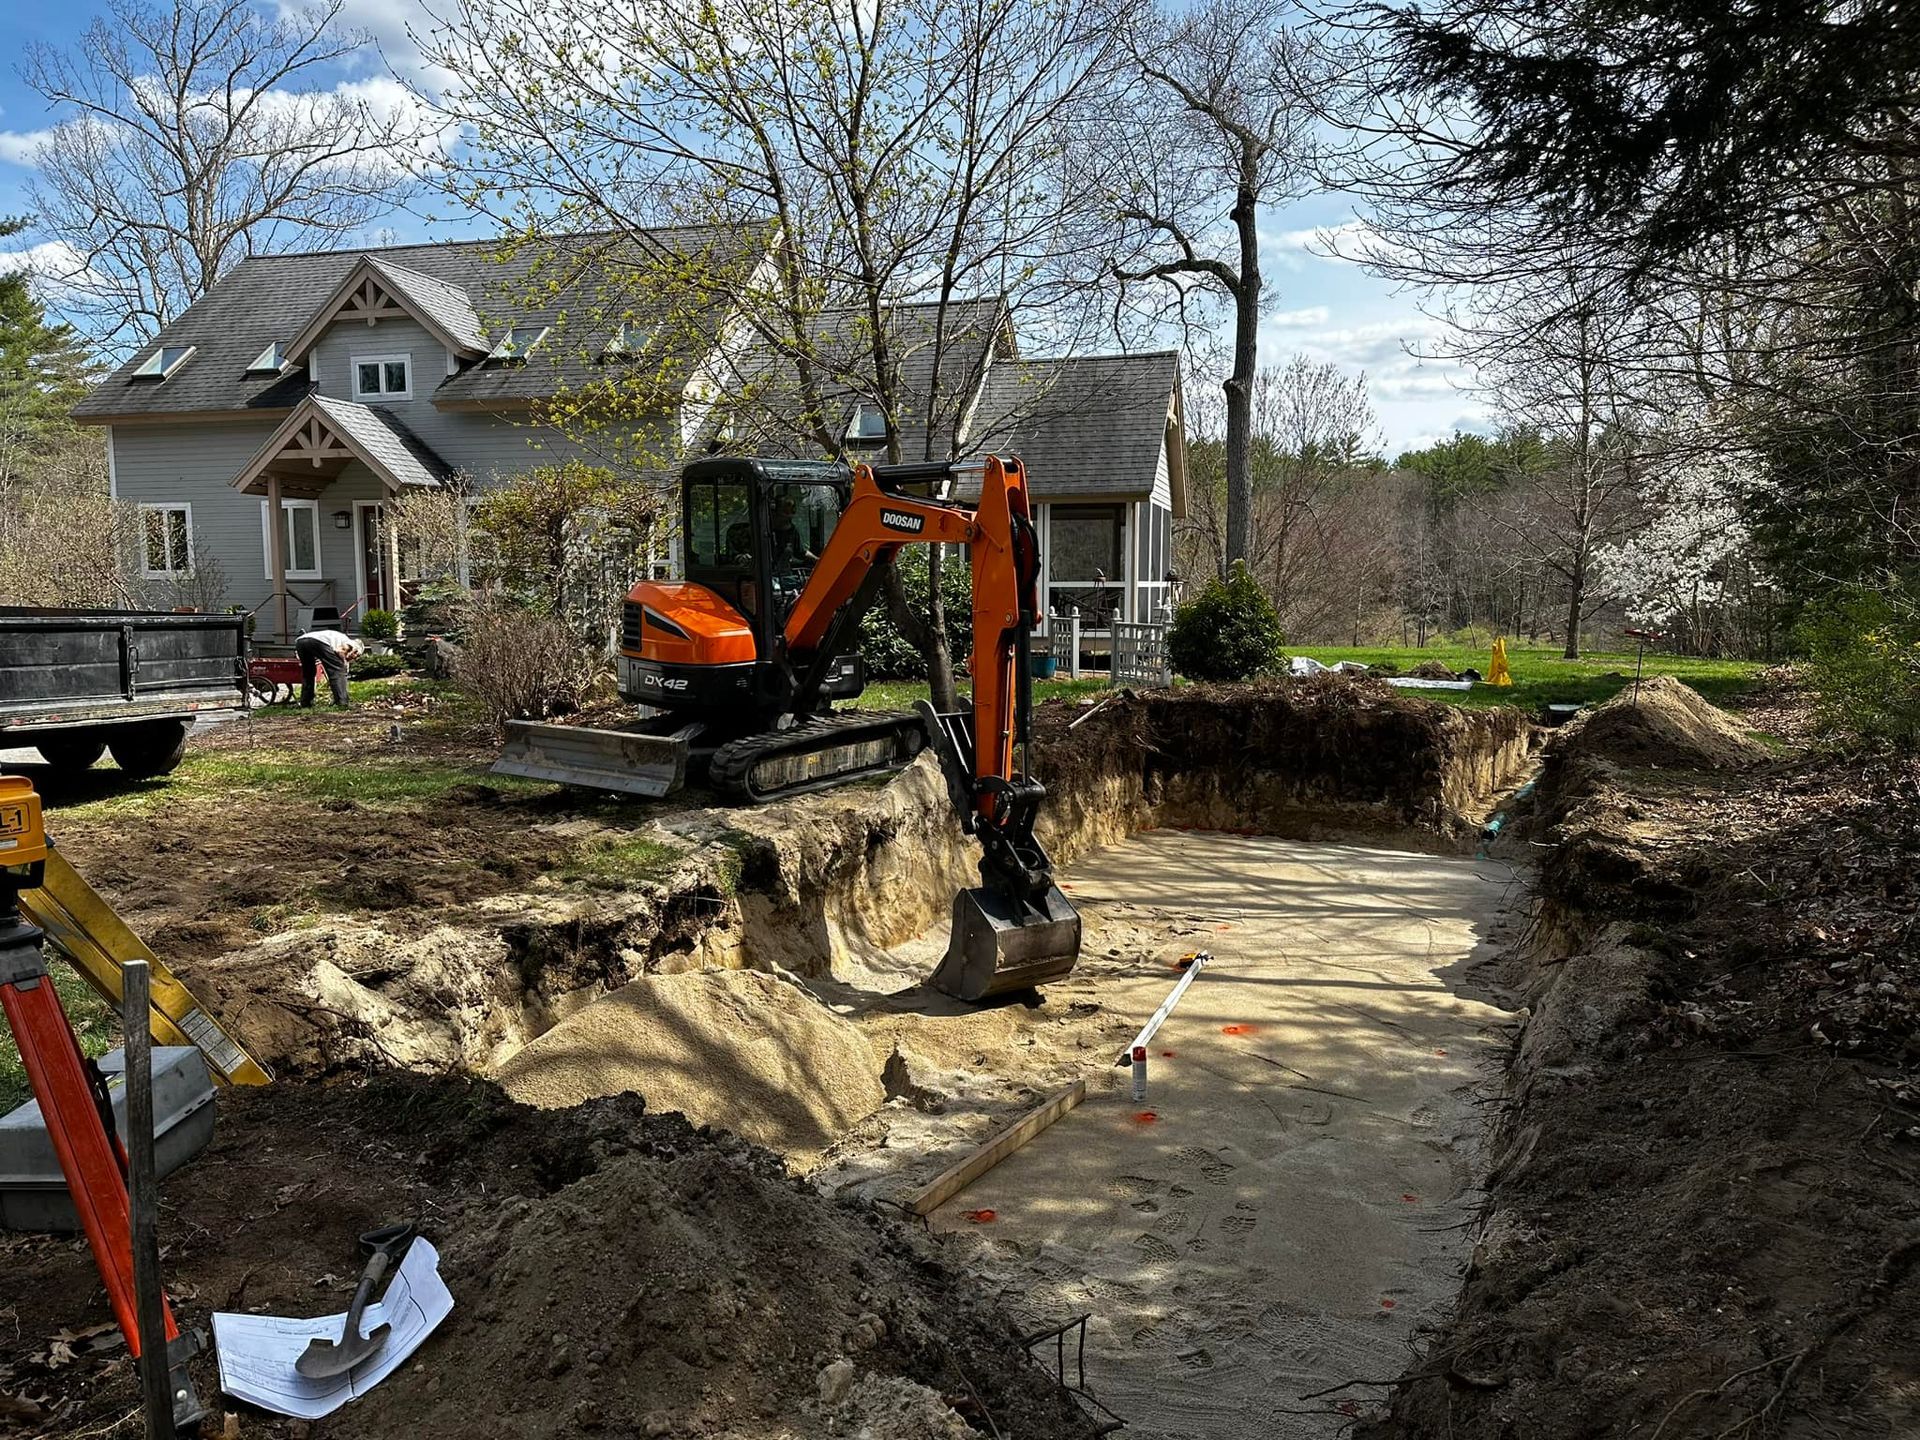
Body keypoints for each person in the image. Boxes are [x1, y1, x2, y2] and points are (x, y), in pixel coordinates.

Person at [295, 627, 364, 709]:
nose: (354, 658)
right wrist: (344, 663)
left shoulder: (339, 638)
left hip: (301, 641)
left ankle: (306, 702)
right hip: (319, 642)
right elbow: (339, 651)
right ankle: (342, 702)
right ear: (356, 651)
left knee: (309, 673)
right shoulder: (352, 644)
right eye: (356, 656)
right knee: (338, 670)